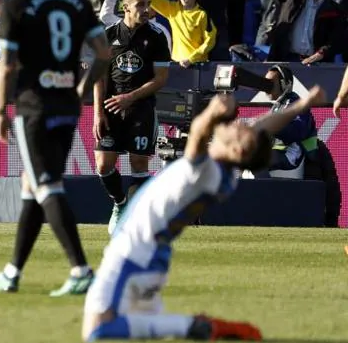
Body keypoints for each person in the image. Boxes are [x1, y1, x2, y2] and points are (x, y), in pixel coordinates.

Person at [81, 85, 327, 342]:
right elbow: (264, 128)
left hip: (135, 253)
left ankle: (198, 327)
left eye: (241, 130)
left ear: (239, 150)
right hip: (148, 256)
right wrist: (302, 104)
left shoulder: (206, 172)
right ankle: (196, 328)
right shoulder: (221, 171)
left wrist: (211, 112)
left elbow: (198, 133)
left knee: (98, 332)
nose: (241, 124)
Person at [0, 0, 111, 296]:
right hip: (67, 107)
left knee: (46, 187)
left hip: (35, 106)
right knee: (33, 186)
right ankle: (12, 272)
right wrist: (83, 89)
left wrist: (0, 110)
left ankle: (81, 269)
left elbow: (8, 66)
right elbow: (104, 52)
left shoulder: (17, 5)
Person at [93, 0, 170, 235]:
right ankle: (120, 204)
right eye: (140, 5)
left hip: (141, 109)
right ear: (125, 7)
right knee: (103, 164)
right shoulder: (107, 35)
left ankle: (140, 217)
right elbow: (99, 77)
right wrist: (97, 113)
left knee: (139, 162)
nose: (146, 9)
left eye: (148, 4)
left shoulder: (157, 36)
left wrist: (130, 97)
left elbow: (160, 78)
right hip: (110, 109)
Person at [250, 65, 318, 179]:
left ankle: (265, 194)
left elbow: (297, 131)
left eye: (271, 83)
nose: (266, 87)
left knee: (257, 160)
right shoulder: (278, 106)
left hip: (291, 155)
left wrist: (270, 126)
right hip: (277, 152)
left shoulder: (296, 104)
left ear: (284, 84)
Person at [146, 0, 217, 68]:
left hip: (198, 65)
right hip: (176, 64)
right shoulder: (172, 9)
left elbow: (210, 41)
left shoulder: (202, 14)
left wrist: (191, 59)